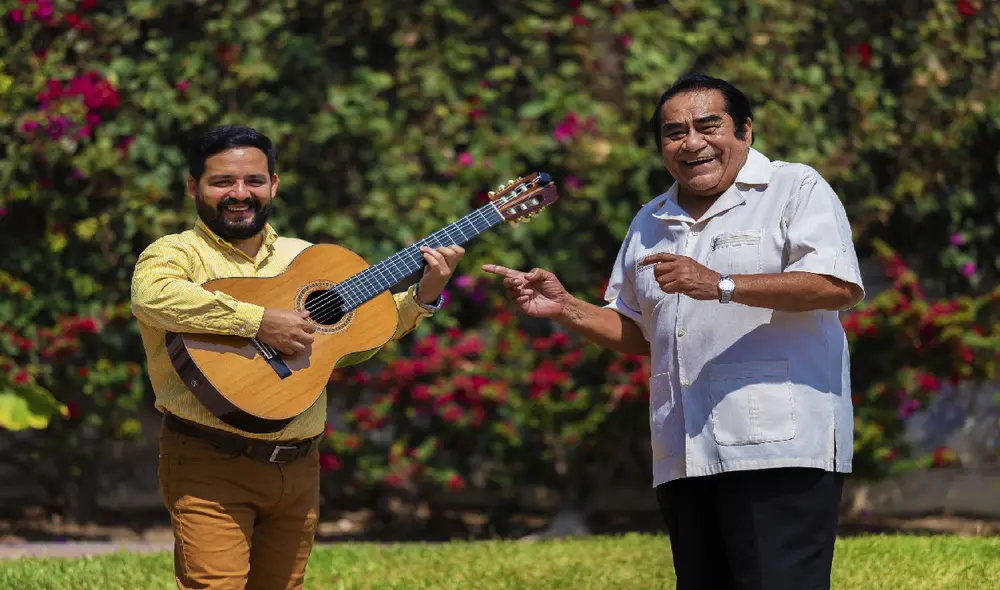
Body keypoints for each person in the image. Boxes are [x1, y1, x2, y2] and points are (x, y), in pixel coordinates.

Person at [483, 73, 865, 590]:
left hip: (781, 449)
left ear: (745, 131)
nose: (692, 143)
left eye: (709, 126)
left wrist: (721, 284)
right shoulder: (651, 219)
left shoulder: (794, 187)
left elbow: (835, 284)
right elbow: (641, 331)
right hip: (685, 452)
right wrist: (566, 307)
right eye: (674, 132)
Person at [131, 124, 464, 590]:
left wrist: (424, 295)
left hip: (299, 465)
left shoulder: (305, 257)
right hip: (208, 460)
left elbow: (362, 335)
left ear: (273, 184)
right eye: (222, 181)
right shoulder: (175, 253)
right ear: (193, 187)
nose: (240, 193)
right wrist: (257, 321)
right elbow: (152, 297)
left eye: (254, 180)